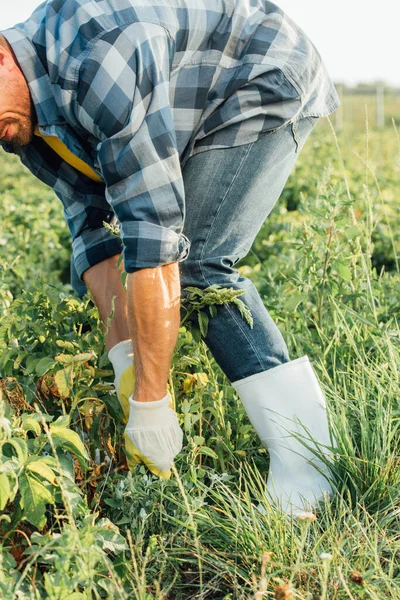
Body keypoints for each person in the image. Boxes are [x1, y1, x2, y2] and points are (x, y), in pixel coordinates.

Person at [0, 0, 340, 516]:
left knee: (200, 264)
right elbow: (95, 234)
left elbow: (152, 232)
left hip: (260, 72)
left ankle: (311, 467)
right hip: (185, 96)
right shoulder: (20, 117)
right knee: (105, 260)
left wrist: (152, 404)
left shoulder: (96, 59)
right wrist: (127, 365)